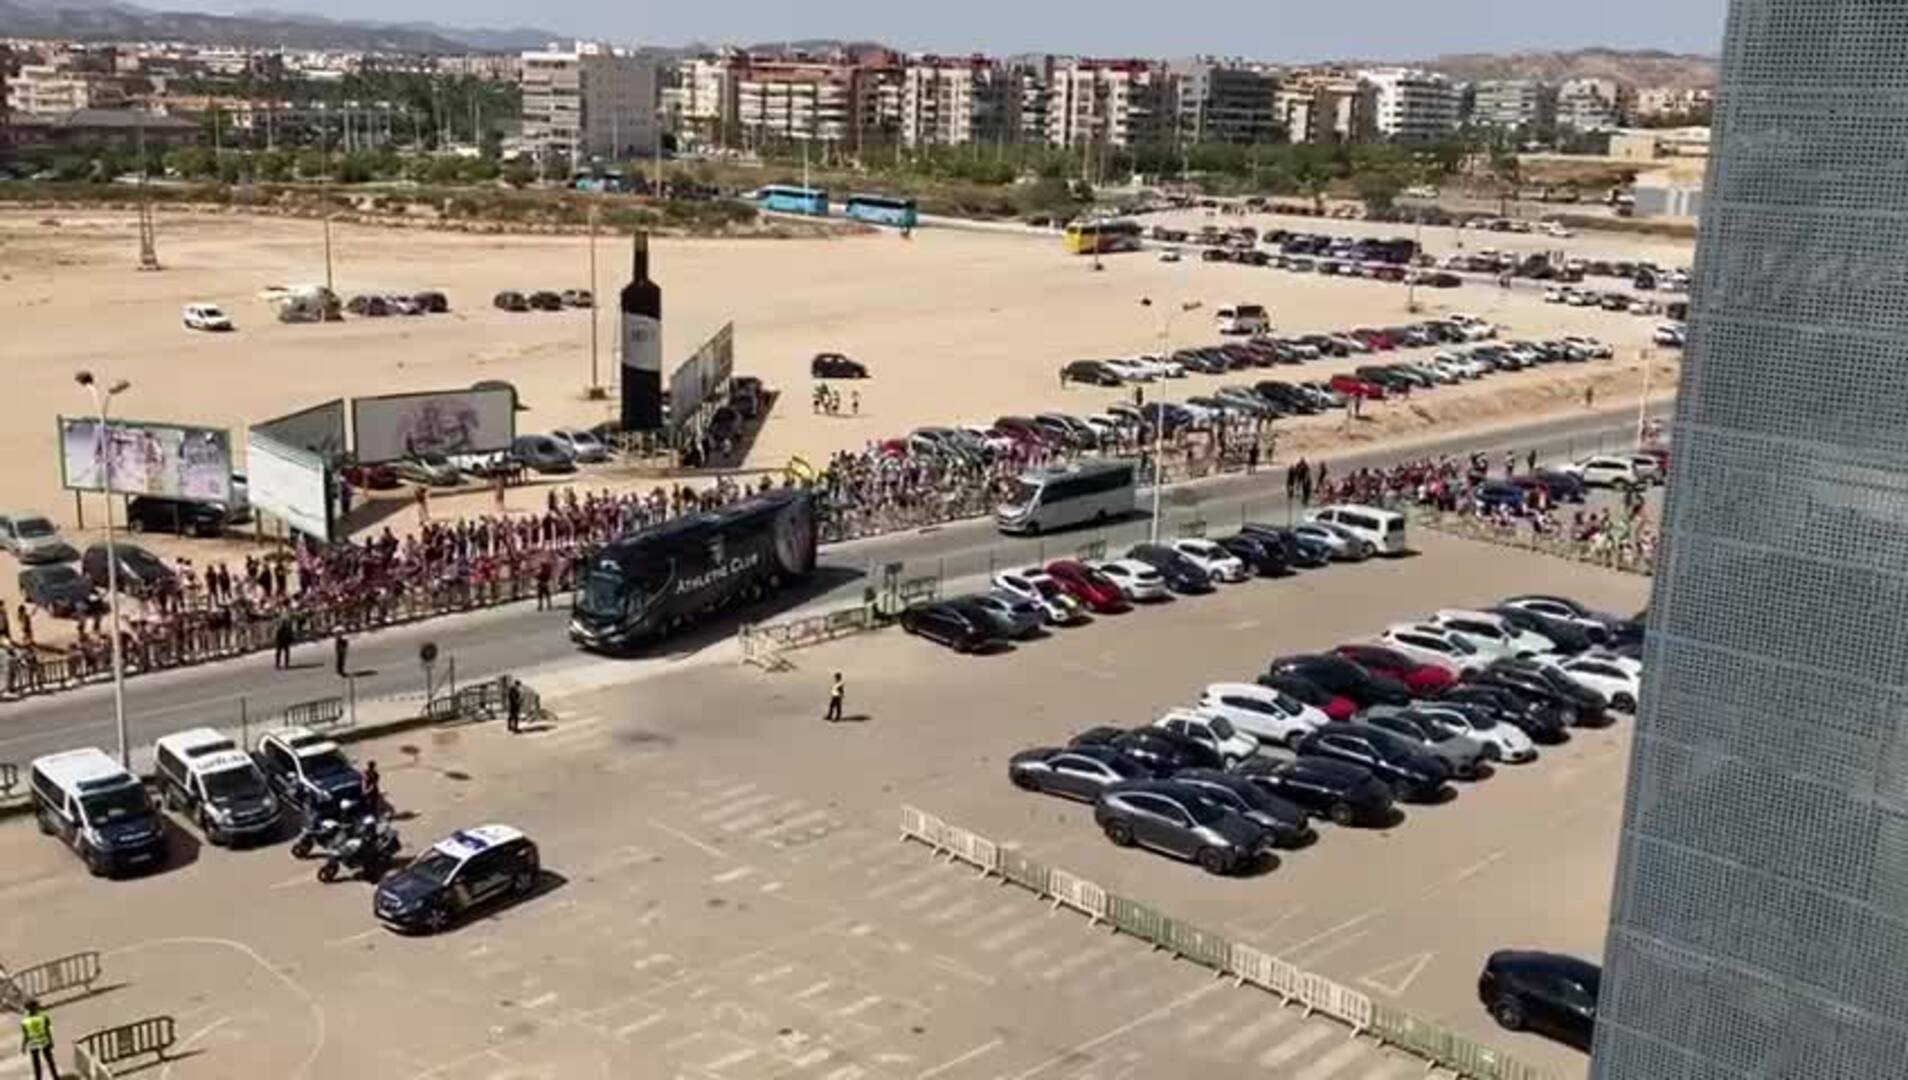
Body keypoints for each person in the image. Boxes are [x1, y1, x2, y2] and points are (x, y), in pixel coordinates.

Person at [18, 998, 54, 1080]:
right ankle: (55, 1077)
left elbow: (26, 1035)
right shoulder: (44, 1018)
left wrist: (23, 1046)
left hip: (33, 1045)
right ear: (35, 1007)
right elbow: (47, 1030)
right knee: (50, 1062)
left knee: (36, 1065)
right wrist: (51, 1040)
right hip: (44, 1042)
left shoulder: (24, 1021)